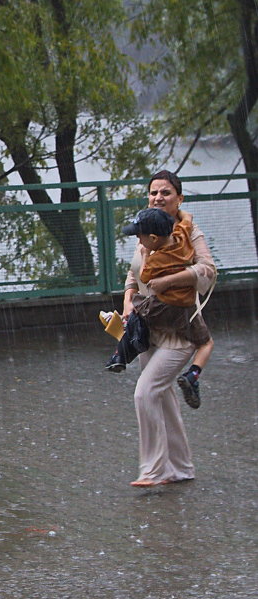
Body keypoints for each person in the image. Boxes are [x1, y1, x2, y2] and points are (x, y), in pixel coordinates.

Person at [120, 170, 216, 487]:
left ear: (179, 198)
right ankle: (181, 466)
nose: (158, 197)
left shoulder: (189, 234)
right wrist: (128, 302)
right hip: (148, 327)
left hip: (177, 325)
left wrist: (169, 281)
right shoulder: (146, 230)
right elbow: (134, 275)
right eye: (154, 192)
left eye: (165, 192)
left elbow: (207, 270)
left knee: (146, 393)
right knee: (163, 397)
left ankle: (153, 469)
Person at [105, 207, 211, 371]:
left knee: (139, 309)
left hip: (164, 307)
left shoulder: (157, 259)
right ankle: (194, 371)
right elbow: (188, 218)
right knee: (203, 340)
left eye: (140, 237)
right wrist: (179, 213)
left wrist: (146, 254)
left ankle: (122, 352)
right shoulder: (182, 238)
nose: (139, 241)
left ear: (153, 238)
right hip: (186, 308)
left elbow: (144, 277)